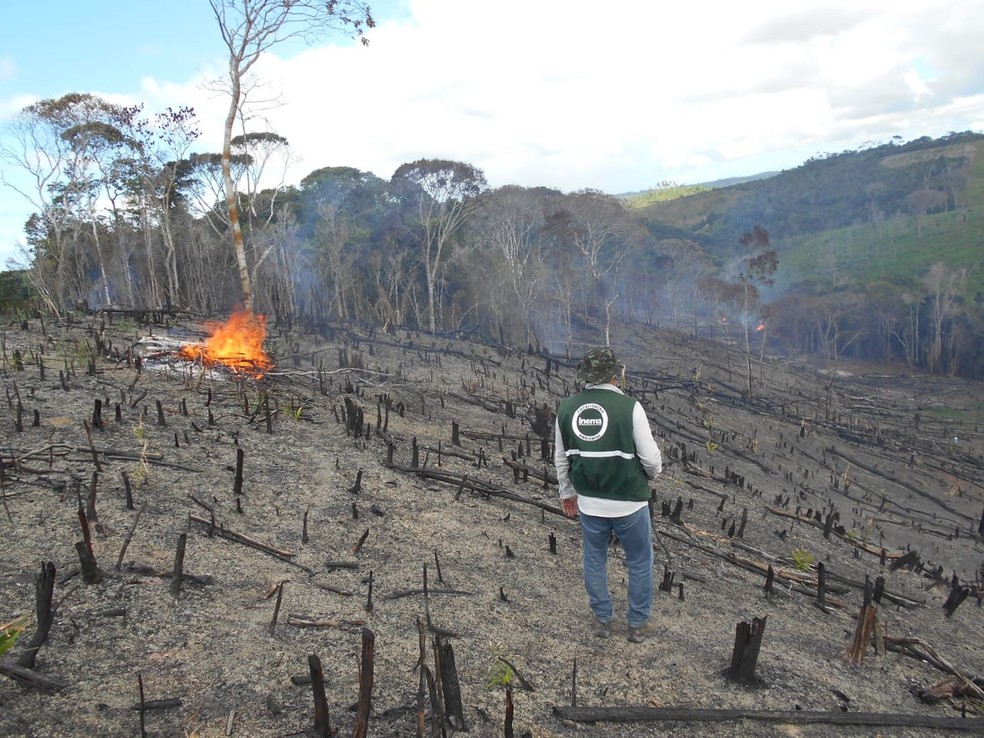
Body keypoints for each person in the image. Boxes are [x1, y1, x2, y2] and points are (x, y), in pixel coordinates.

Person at [554, 347, 663, 642]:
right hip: (630, 503)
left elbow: (562, 458)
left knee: (594, 558)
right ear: (615, 375)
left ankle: (603, 619)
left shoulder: (566, 408)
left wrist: (567, 494)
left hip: (589, 503)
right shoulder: (630, 407)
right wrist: (650, 477)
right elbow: (652, 460)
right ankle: (637, 624)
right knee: (640, 560)